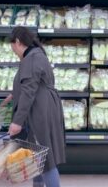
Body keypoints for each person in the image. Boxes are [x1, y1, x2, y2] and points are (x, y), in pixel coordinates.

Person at [6, 26, 66, 187]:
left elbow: (29, 91)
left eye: (12, 46)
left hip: (39, 111)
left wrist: (17, 122)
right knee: (37, 157)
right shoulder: (37, 55)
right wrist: (14, 94)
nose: (12, 50)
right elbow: (33, 84)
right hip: (43, 107)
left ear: (17, 42)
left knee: (44, 159)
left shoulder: (31, 58)